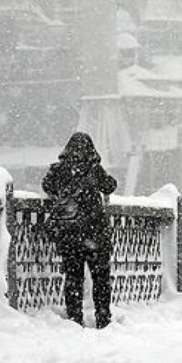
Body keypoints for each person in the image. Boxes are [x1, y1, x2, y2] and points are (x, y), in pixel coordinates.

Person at [40, 132, 118, 328]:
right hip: (95, 234)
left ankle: (75, 319)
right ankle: (103, 317)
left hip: (70, 234)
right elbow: (110, 186)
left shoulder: (58, 170)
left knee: (73, 278)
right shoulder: (94, 169)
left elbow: (47, 186)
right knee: (101, 278)